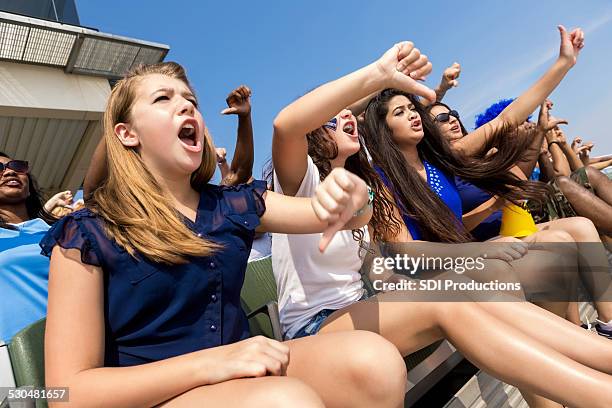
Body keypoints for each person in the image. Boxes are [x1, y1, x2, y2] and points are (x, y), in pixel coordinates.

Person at [272, 31, 612, 408]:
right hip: (321, 323)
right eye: (331, 117)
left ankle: (596, 356)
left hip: (368, 300)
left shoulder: (364, 181)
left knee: (548, 256)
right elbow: (288, 126)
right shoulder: (299, 180)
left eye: (348, 114)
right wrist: (380, 75)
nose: (345, 118)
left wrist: (563, 64)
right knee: (471, 285)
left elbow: (505, 122)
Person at [41, 62, 408, 408]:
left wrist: (356, 198)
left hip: (244, 371)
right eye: (163, 98)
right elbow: (67, 393)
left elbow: (338, 216)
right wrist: (213, 363)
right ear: (126, 133)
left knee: (374, 362)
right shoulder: (86, 232)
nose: (186, 108)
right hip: (158, 396)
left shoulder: (231, 203)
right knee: (284, 401)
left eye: (191, 101)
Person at [0, 152, 56, 341]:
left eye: (17, 167)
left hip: (85, 346)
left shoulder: (62, 230)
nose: (9, 173)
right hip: (16, 357)